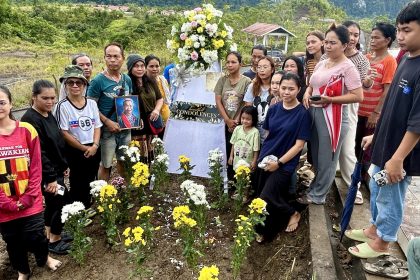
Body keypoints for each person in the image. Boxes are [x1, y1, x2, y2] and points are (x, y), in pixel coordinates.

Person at [345, 1, 420, 259]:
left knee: (391, 194)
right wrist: (376, 135)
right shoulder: (407, 60)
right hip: (384, 143)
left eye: (407, 30)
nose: (400, 36)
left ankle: (384, 241)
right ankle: (375, 228)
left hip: (400, 152)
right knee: (377, 187)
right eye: (398, 30)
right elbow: (392, 107)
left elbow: (417, 122)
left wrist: (398, 158)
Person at [0, 85, 62, 280]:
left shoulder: (26, 130)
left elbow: (36, 166)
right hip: (3, 206)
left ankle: (44, 258)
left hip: (31, 199)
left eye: (2, 102)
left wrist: (29, 195)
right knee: (12, 241)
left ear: (11, 104)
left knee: (36, 235)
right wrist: (6, 202)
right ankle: (23, 271)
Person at [299, 23, 363, 205]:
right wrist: (307, 92)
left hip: (333, 117)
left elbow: (358, 95)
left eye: (332, 43)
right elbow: (312, 83)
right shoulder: (323, 62)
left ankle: (318, 195)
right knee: (317, 155)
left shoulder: (348, 67)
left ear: (344, 45)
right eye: (326, 42)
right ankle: (316, 187)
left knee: (328, 158)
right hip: (315, 113)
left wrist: (331, 100)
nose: (327, 46)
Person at [255, 73, 311, 242]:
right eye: (283, 88)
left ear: (299, 90)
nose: (286, 92)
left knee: (267, 196)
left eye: (291, 89)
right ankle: (261, 228)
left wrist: (278, 163)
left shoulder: (303, 114)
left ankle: (292, 212)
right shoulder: (273, 109)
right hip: (266, 159)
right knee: (261, 196)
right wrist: (261, 158)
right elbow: (268, 135)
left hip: (284, 164)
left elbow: (299, 145)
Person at [21, 80, 71, 255]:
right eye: (45, 98)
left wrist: (64, 164)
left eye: (53, 98)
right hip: (46, 173)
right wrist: (49, 178)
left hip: (56, 169)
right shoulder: (30, 120)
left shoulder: (47, 114)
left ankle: (49, 234)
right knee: (60, 203)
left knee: (52, 203)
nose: (50, 102)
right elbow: (39, 153)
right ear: (34, 97)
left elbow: (56, 142)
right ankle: (55, 240)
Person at [335, 20, 372, 205]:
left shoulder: (361, 60)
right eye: (348, 33)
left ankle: (353, 188)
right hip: (328, 106)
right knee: (328, 148)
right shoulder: (329, 56)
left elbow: (364, 86)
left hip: (348, 107)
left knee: (348, 148)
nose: (352, 38)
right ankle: (322, 184)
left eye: (356, 35)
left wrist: (367, 83)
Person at [55, 65, 102, 210]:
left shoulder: (92, 104)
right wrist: (84, 148)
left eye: (79, 82)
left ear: (84, 85)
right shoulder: (62, 106)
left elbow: (97, 126)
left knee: (92, 177)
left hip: (93, 147)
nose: (75, 86)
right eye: (70, 82)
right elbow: (63, 132)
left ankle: (89, 205)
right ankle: (79, 209)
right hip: (75, 150)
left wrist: (94, 145)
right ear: (65, 85)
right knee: (78, 180)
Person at [355, 23, 397, 175]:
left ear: (387, 40)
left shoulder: (389, 61)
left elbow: (387, 91)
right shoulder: (366, 58)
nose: (372, 41)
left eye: (376, 38)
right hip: (357, 110)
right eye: (371, 37)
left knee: (366, 148)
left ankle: (362, 177)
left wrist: (376, 113)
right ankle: (354, 175)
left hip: (371, 115)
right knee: (354, 144)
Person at [87, 42, 132, 181]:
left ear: (123, 58)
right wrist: (107, 122)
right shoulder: (97, 81)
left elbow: (130, 102)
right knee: (106, 164)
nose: (112, 60)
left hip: (125, 129)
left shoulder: (127, 79)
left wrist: (136, 118)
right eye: (109, 56)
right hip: (107, 131)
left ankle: (125, 188)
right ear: (104, 58)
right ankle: (103, 195)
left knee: (124, 160)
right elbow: (90, 107)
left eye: (116, 56)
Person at [215, 51, 252, 179]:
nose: (230, 65)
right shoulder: (222, 80)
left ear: (240, 64)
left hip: (239, 123)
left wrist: (235, 121)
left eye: (233, 62)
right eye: (228, 62)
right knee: (223, 148)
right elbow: (218, 100)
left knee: (236, 150)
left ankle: (235, 179)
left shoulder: (247, 81)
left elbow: (246, 103)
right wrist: (227, 120)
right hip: (223, 122)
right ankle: (222, 178)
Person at [127, 54, 163, 162]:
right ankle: (139, 176)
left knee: (151, 150)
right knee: (139, 153)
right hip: (137, 123)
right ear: (130, 68)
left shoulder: (150, 81)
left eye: (142, 66)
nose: (139, 69)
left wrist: (156, 110)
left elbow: (159, 98)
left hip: (151, 120)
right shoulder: (127, 82)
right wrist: (135, 119)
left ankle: (150, 176)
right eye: (136, 66)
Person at [244, 56, 275, 143]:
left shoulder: (276, 87)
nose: (261, 70)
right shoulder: (252, 87)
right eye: (259, 67)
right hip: (255, 133)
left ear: (272, 69)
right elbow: (248, 109)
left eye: (265, 67)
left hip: (272, 133)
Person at [228, 106, 260, 171]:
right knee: (237, 176)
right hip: (237, 160)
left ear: (253, 119)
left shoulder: (255, 132)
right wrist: (231, 156)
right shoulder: (237, 129)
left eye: (248, 119)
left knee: (246, 178)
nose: (245, 121)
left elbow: (256, 149)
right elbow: (233, 143)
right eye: (243, 118)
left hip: (248, 162)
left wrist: (254, 161)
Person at [144, 55, 170, 130]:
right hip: (152, 122)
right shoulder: (143, 83)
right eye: (151, 66)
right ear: (145, 67)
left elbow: (166, 100)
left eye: (157, 66)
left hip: (166, 119)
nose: (155, 69)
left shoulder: (162, 80)